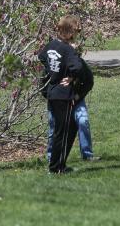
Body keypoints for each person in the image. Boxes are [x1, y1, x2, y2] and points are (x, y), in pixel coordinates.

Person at [38, 15, 85, 174]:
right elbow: (78, 67)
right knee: (63, 132)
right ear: (70, 32)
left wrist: (52, 73)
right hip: (63, 95)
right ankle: (57, 167)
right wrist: (71, 77)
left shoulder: (51, 45)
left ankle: (58, 165)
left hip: (52, 92)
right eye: (75, 32)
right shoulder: (68, 49)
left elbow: (42, 57)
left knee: (60, 130)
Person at [45, 41, 98, 163]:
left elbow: (89, 81)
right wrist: (49, 96)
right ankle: (51, 157)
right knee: (54, 127)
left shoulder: (81, 66)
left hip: (76, 100)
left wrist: (78, 96)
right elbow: (44, 82)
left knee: (83, 121)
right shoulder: (55, 66)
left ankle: (87, 154)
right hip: (58, 101)